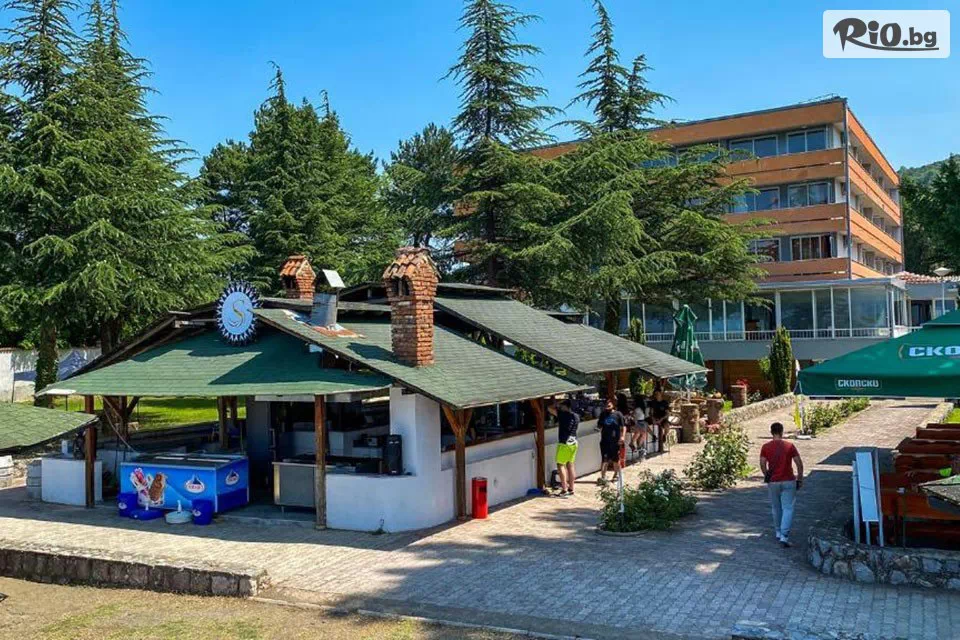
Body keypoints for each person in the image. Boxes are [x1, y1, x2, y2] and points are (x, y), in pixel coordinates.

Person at [759, 422, 805, 548]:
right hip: (788, 480)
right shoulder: (789, 446)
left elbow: (762, 463)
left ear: (771, 432)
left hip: (773, 481)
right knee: (788, 508)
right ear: (782, 432)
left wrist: (767, 475)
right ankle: (784, 535)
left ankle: (778, 531)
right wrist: (800, 479)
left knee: (776, 508)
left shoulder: (765, 447)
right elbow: (799, 463)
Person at [549, 399, 580, 497]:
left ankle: (564, 489)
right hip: (574, 442)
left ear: (566, 406)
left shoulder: (562, 415)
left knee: (560, 465)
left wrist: (557, 403)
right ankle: (571, 488)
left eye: (562, 405)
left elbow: (549, 408)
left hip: (564, 443)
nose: (560, 407)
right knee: (570, 465)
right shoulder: (576, 416)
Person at [597, 398, 626, 485]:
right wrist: (598, 428)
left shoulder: (618, 414)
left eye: (609, 405)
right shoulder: (603, 414)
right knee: (604, 459)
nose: (607, 407)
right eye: (606, 405)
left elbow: (623, 427)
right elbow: (600, 425)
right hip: (605, 440)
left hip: (615, 440)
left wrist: (622, 437)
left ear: (613, 405)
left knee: (615, 459)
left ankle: (616, 475)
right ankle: (603, 477)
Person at [648, 388, 671, 453]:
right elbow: (651, 413)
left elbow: (667, 413)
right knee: (646, 424)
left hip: (663, 418)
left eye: (658, 394)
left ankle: (664, 435)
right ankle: (654, 436)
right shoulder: (653, 402)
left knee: (667, 426)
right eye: (655, 394)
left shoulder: (665, 403)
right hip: (655, 418)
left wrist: (661, 419)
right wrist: (653, 419)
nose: (656, 395)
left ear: (661, 394)